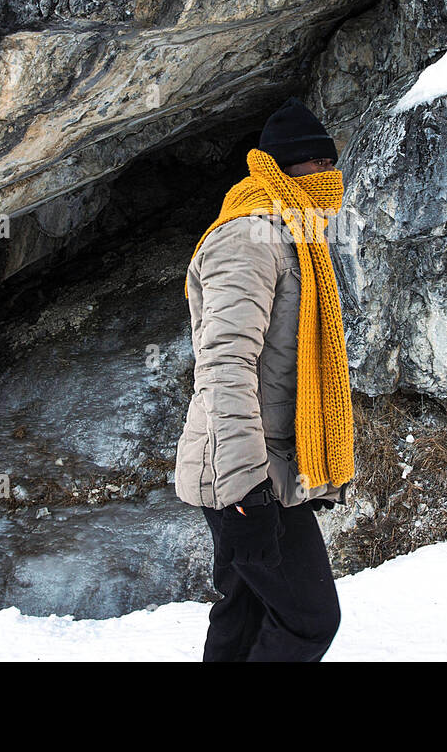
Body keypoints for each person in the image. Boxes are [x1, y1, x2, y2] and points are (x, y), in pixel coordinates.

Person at [175, 97, 356, 662]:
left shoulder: (293, 235)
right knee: (309, 620)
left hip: (275, 469)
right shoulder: (248, 238)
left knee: (245, 612)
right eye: (322, 167)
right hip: (244, 474)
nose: (333, 179)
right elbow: (225, 366)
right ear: (292, 167)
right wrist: (246, 492)